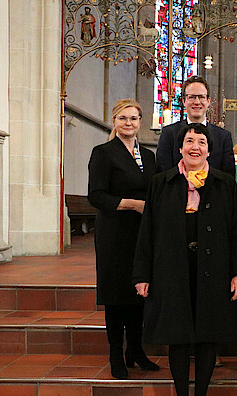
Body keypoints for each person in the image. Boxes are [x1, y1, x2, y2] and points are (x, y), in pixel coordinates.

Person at [133, 123, 237, 396]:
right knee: (179, 336)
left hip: (214, 269)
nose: (195, 147)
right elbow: (148, 232)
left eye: (201, 142)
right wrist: (142, 274)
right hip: (172, 269)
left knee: (207, 336)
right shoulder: (161, 182)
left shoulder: (225, 183)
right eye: (189, 141)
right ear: (180, 148)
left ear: (209, 149)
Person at [87, 98, 158, 379]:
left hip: (141, 235)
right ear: (114, 121)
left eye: (134, 118)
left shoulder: (149, 157)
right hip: (115, 234)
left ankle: (136, 351)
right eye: (123, 118)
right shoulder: (103, 153)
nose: (129, 123)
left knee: (139, 292)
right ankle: (116, 353)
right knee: (116, 296)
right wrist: (132, 204)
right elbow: (96, 195)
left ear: (140, 122)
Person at [155, 75, 235, 176]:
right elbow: (163, 174)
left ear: (208, 101)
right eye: (192, 97)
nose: (197, 102)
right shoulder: (168, 133)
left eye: (201, 97)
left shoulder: (223, 137)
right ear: (184, 101)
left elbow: (228, 179)